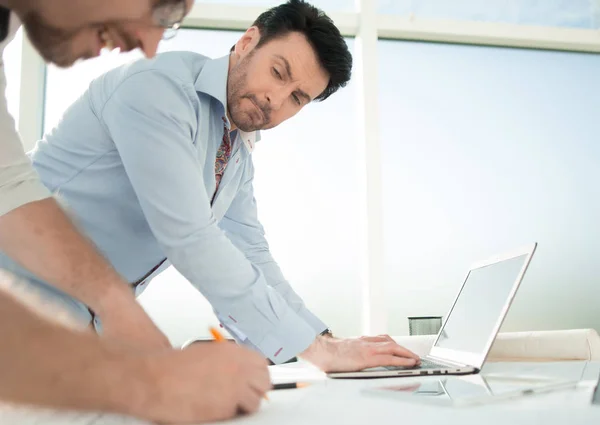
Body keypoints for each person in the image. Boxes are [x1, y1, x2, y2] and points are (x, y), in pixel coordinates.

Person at [1, 0, 422, 372]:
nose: (277, 99)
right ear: (247, 41)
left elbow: (250, 251)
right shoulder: (158, 90)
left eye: (297, 98)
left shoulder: (235, 148)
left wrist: (323, 339)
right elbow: (190, 236)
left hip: (75, 323)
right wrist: (311, 350)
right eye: (278, 72)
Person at [0, 0, 270, 422]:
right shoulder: (154, 89)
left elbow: (9, 188)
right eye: (161, 9)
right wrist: (148, 381)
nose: (148, 44)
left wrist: (115, 307)